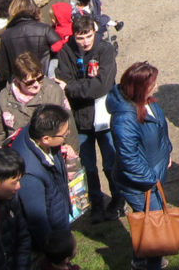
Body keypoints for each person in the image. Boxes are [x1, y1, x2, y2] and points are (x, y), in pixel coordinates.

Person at [55, 15, 122, 222]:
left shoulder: (105, 50)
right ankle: (96, 204)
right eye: (80, 38)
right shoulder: (66, 52)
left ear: (95, 32)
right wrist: (77, 88)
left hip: (104, 116)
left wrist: (73, 88)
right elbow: (62, 80)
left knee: (110, 163)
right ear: (73, 36)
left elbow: (102, 85)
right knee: (88, 166)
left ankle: (118, 201)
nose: (85, 42)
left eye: (88, 36)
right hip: (80, 118)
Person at [107, 61, 173, 269]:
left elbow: (161, 128)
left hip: (152, 176)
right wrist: (151, 181)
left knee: (148, 223)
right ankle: (152, 263)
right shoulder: (124, 119)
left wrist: (167, 151)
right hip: (140, 184)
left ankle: (139, 259)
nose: (155, 86)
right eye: (152, 83)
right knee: (156, 233)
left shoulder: (148, 102)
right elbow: (129, 159)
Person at [10, 105, 73, 253]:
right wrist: (54, 252)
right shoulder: (29, 175)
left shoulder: (34, 133)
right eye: (64, 135)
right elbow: (38, 221)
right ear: (46, 139)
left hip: (58, 217)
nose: (66, 136)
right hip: (50, 240)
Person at [0, 52, 79, 151]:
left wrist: (73, 157)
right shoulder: (4, 97)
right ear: (18, 80)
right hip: (18, 153)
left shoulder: (53, 91)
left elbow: (69, 128)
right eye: (30, 82)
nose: (36, 84)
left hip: (50, 153)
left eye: (40, 78)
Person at [0, 0, 59, 84]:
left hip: (19, 82)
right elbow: (60, 52)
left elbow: (5, 66)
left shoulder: (6, 34)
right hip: (42, 80)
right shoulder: (45, 29)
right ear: (35, 10)